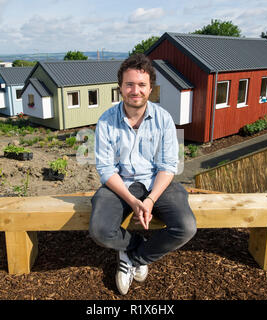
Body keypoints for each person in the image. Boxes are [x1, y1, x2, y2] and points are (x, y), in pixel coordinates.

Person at [89, 53, 197, 295]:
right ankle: (134, 246)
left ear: (150, 89)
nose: (134, 90)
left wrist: (149, 200)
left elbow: (168, 166)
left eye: (141, 85)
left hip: (157, 183)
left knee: (186, 227)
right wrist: (132, 200)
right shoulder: (106, 121)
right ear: (120, 88)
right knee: (100, 230)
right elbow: (106, 169)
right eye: (129, 84)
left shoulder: (164, 119)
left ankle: (135, 258)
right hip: (120, 185)